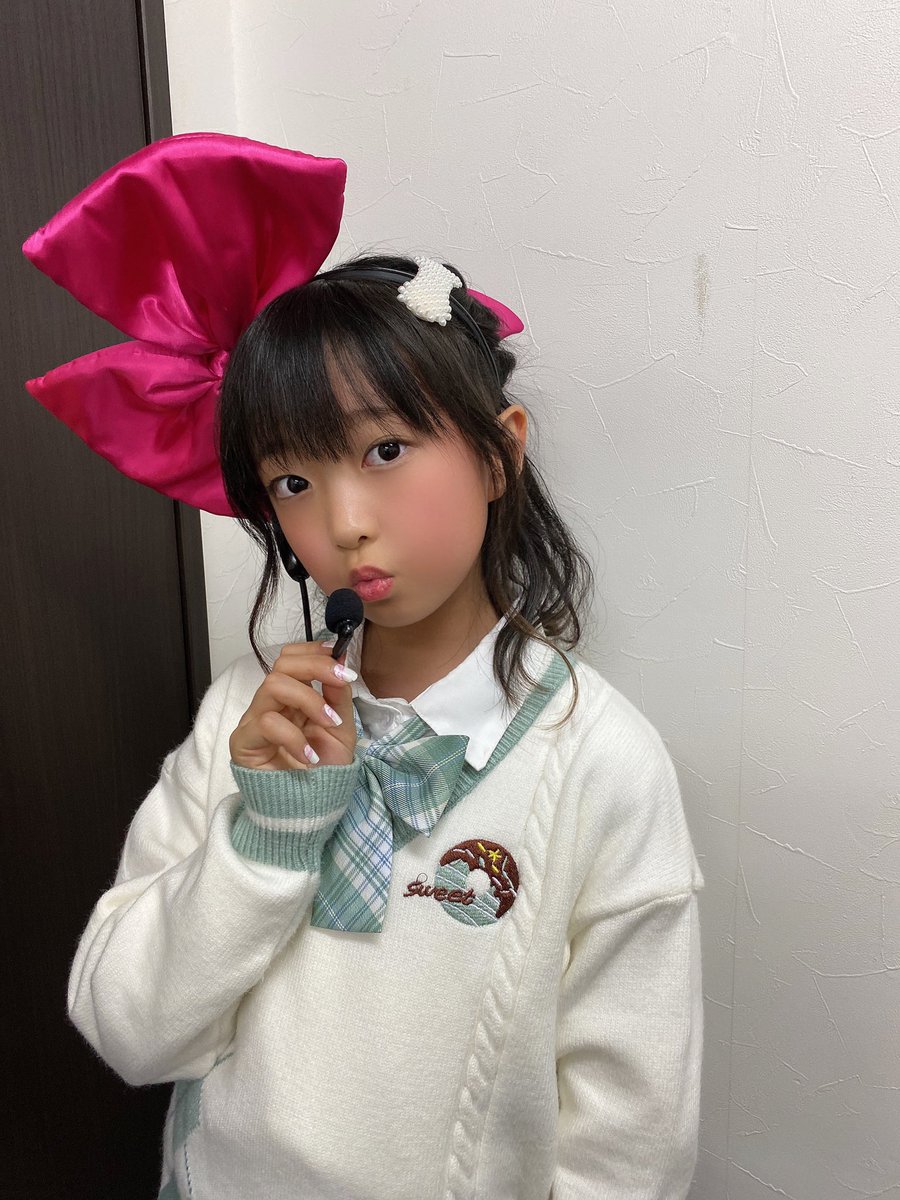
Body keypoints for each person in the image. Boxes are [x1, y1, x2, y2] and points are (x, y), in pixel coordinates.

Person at [25, 134, 705, 1200]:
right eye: (291, 482)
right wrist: (262, 837)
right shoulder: (242, 719)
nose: (342, 522)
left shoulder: (602, 763)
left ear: (499, 451)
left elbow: (632, 1149)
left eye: (385, 451)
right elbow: (130, 1032)